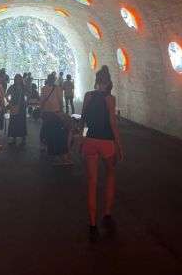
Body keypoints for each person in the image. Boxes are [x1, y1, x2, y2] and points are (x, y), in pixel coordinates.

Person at [81, 66, 123, 242]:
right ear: (108, 82)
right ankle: (107, 212)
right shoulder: (110, 99)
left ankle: (92, 222)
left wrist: (82, 140)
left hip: (90, 140)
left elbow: (83, 121)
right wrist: (119, 145)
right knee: (111, 175)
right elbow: (113, 124)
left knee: (92, 182)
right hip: (106, 142)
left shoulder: (88, 96)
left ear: (97, 81)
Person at [41, 72, 71, 166]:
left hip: (47, 112)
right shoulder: (58, 88)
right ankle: (59, 154)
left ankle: (51, 151)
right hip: (56, 112)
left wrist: (42, 110)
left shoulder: (43, 88)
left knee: (49, 131)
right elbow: (60, 101)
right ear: (54, 80)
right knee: (58, 133)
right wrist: (62, 112)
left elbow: (42, 100)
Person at [6, 74, 27, 145]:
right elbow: (6, 95)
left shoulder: (22, 87)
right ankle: (14, 138)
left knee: (21, 122)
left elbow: (28, 94)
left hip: (21, 106)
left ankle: (22, 139)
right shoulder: (15, 87)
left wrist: (9, 102)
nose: (17, 80)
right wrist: (9, 102)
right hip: (16, 106)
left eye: (19, 79)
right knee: (14, 122)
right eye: (16, 79)